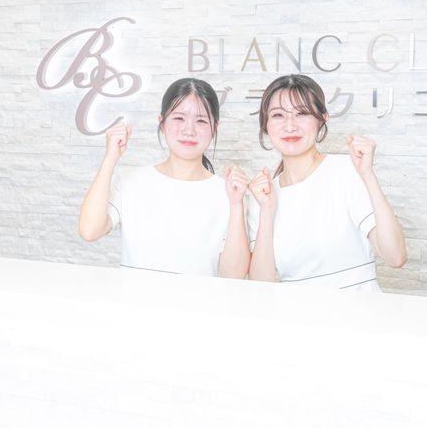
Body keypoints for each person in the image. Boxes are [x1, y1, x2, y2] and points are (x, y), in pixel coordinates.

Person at [246, 74, 406, 291]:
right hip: (297, 312)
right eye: (278, 115)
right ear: (266, 125)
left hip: (358, 311)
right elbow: (260, 287)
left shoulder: (347, 171)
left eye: (302, 113)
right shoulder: (262, 195)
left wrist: (368, 175)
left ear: (322, 119)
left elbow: (395, 257)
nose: (290, 126)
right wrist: (266, 211)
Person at [78, 78, 250, 278]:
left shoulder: (228, 193)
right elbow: (89, 231)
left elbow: (234, 276)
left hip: (197, 299)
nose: (189, 130)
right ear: (162, 122)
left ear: (215, 128)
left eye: (201, 121)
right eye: (179, 118)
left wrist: (236, 205)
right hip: (135, 298)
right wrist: (110, 159)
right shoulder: (130, 180)